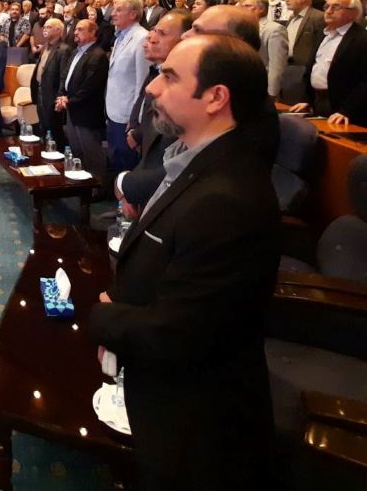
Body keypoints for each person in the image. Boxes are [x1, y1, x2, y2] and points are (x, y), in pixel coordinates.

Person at [89, 34, 280, 491]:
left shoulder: (227, 199)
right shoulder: (189, 158)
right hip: (161, 382)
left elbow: (180, 332)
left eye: (170, 77)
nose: (152, 87)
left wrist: (103, 317)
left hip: (193, 423)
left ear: (215, 98)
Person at [116, 10, 193, 215]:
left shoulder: (189, 87)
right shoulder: (156, 71)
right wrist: (137, 129)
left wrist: (129, 185)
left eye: (162, 34)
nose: (151, 39)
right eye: (154, 32)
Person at [291, 0, 367, 125]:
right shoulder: (323, 34)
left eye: (336, 7)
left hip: (346, 110)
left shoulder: (361, 39)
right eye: (327, 6)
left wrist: (346, 111)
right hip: (318, 101)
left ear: (353, 13)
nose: (328, 11)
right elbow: (312, 68)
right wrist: (307, 100)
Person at [55, 19, 108, 182]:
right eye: (76, 29)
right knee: (77, 151)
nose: (76, 32)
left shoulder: (97, 55)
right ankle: (82, 184)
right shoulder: (76, 52)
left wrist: (69, 100)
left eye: (81, 29)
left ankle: (97, 186)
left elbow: (90, 86)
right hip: (72, 109)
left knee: (91, 153)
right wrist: (62, 96)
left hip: (87, 112)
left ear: (93, 33)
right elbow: (65, 76)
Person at [105, 0, 150, 175]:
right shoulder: (119, 37)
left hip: (127, 116)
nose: (112, 14)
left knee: (126, 165)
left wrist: (135, 120)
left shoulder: (142, 38)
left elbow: (143, 82)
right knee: (115, 160)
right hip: (113, 110)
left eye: (119, 10)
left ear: (133, 14)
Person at [281, 0, 326, 104]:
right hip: (289, 67)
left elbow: (320, 45)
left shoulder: (318, 17)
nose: (286, 0)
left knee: (300, 103)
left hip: (305, 69)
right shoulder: (291, 17)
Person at [238, 0, 288, 101]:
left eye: (247, 6)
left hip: (262, 84)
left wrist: (272, 92)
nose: (241, 9)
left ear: (261, 9)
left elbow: (277, 64)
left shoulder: (274, 29)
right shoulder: (241, 28)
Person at [31, 18, 70, 149]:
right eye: (44, 27)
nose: (44, 29)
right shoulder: (45, 47)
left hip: (52, 95)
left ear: (58, 30)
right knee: (43, 126)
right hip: (41, 91)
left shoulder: (64, 49)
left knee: (54, 129)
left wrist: (59, 98)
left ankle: (58, 156)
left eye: (48, 27)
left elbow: (63, 77)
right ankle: (46, 152)